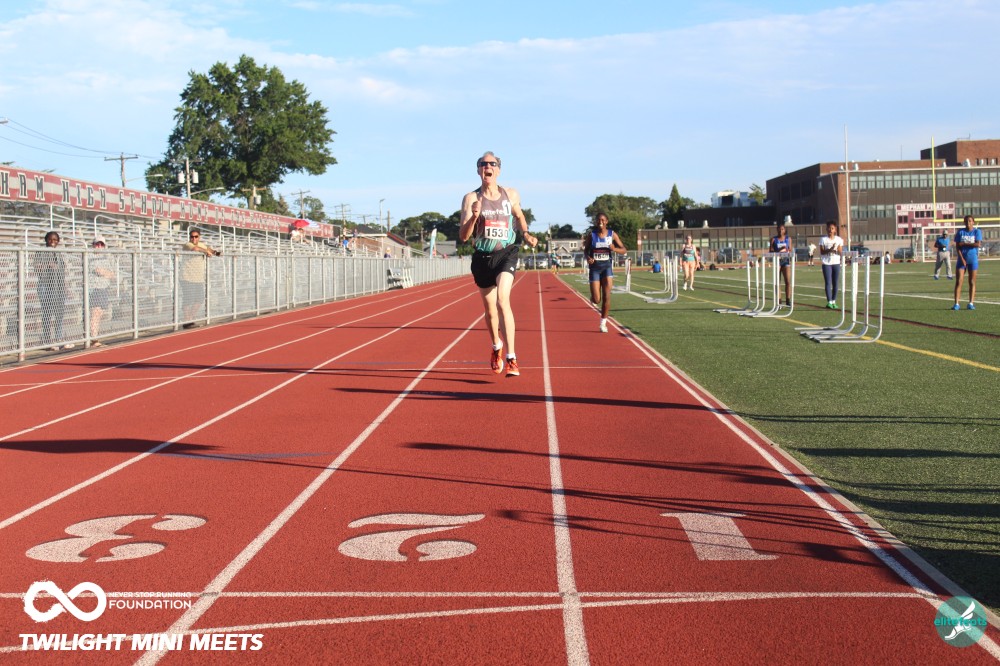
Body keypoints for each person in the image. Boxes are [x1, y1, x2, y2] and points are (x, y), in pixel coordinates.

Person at [458, 151, 537, 377]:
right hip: (482, 257)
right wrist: (474, 217)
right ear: (478, 170)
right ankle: (496, 346)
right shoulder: (471, 199)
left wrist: (526, 233)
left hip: (506, 253)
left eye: (492, 164)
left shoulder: (510, 194)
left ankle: (512, 358)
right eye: (483, 164)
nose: (487, 167)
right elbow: (464, 236)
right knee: (490, 310)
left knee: (503, 300)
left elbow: (519, 216)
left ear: (498, 170)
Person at [582, 212, 628, 333]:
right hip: (595, 269)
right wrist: (588, 257)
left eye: (603, 220)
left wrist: (614, 249)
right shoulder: (592, 235)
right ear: (596, 222)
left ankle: (603, 323)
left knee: (607, 296)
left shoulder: (612, 234)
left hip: (607, 268)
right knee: (597, 300)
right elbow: (586, 250)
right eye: (598, 220)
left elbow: (624, 250)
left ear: (606, 221)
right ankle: (593, 297)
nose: (600, 222)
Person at [34, 231, 71, 350]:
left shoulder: (59, 254)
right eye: (50, 239)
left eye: (55, 240)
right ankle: (47, 341)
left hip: (59, 286)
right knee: (47, 314)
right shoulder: (41, 252)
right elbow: (37, 267)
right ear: (46, 240)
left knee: (59, 314)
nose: (52, 242)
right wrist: (48, 265)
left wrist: (65, 287)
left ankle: (58, 339)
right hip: (45, 285)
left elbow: (62, 272)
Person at [180, 228, 221, 328]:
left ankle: (191, 318)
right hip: (187, 277)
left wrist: (216, 253)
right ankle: (186, 320)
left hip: (198, 278)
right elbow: (195, 249)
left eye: (196, 236)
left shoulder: (201, 245)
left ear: (199, 237)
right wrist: (206, 252)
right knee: (188, 299)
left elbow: (209, 249)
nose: (194, 238)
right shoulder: (188, 245)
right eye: (192, 237)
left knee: (200, 299)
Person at [88, 237, 115, 346]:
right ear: (93, 245)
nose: (99, 247)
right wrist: (104, 272)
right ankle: (93, 338)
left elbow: (112, 274)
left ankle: (95, 336)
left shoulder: (106, 258)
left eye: (101, 244)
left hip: (104, 288)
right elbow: (97, 270)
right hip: (94, 288)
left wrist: (105, 272)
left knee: (100, 313)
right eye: (97, 244)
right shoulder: (89, 257)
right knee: (95, 312)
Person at [952, 215, 982, 310]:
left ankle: (971, 303)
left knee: (972, 281)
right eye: (966, 221)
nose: (968, 222)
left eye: (970, 221)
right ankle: (956, 303)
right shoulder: (960, 232)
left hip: (972, 259)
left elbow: (978, 244)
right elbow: (958, 246)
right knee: (959, 281)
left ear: (973, 222)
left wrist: (964, 243)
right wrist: (962, 259)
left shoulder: (977, 232)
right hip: (962, 260)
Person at [819, 221, 844, 309]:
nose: (830, 230)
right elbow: (822, 252)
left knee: (835, 282)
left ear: (835, 230)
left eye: (832, 228)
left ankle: (834, 301)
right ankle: (829, 301)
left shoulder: (838, 239)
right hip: (826, 263)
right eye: (829, 228)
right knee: (828, 282)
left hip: (836, 262)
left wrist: (835, 250)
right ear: (826, 229)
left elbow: (840, 251)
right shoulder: (823, 239)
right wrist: (829, 250)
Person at [769, 223, 793, 306]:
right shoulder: (773, 239)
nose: (780, 231)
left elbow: (790, 249)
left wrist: (786, 250)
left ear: (784, 230)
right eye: (779, 229)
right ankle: (779, 300)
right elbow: (771, 251)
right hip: (777, 261)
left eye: (782, 229)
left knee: (788, 281)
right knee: (777, 282)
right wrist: (778, 250)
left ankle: (788, 300)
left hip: (786, 261)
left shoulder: (788, 239)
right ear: (777, 230)